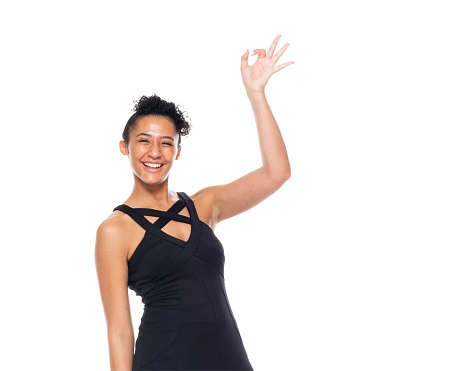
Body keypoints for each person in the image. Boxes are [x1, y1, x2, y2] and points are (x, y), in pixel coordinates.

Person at [95, 35, 293, 371]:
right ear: (124, 147)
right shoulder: (115, 230)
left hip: (229, 358)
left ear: (177, 151)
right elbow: (119, 332)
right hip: (164, 361)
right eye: (143, 141)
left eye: (166, 143)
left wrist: (256, 94)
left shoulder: (205, 204)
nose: (154, 152)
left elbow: (277, 173)